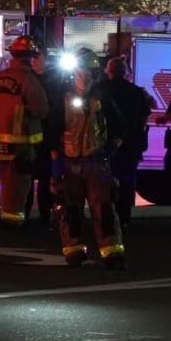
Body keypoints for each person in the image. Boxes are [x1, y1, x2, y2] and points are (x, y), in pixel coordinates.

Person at [49, 48, 125, 269]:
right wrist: (56, 167)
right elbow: (54, 132)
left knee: (104, 209)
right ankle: (73, 252)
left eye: (89, 72)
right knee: (71, 209)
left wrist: (107, 154)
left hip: (96, 164)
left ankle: (112, 254)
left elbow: (120, 129)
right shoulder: (62, 99)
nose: (84, 76)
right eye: (81, 72)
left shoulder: (104, 99)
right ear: (74, 74)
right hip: (70, 164)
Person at [0, 35, 49, 227]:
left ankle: (8, 216)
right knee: (20, 183)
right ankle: (15, 221)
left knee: (6, 180)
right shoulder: (29, 80)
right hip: (22, 143)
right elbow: (41, 110)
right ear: (29, 57)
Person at [101, 56, 153, 229]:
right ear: (126, 73)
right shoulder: (137, 92)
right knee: (127, 179)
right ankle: (124, 217)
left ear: (109, 71)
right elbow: (145, 116)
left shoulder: (99, 90)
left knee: (104, 179)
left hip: (104, 144)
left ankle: (106, 216)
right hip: (131, 144)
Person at [24, 49, 58, 228]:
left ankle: (45, 215)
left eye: (38, 57)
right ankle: (25, 214)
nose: (34, 61)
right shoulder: (27, 79)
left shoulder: (54, 82)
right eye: (32, 57)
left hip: (46, 138)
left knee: (45, 180)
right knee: (27, 179)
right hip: (28, 137)